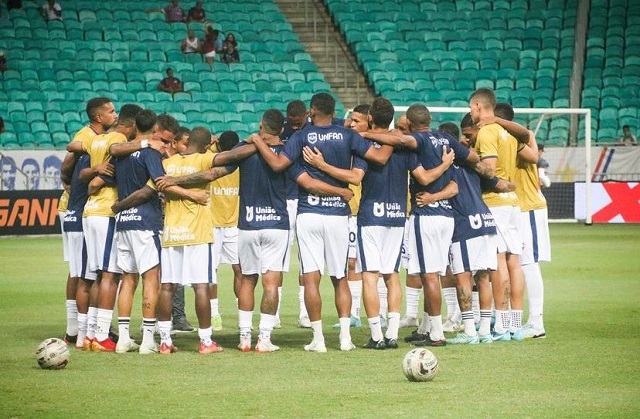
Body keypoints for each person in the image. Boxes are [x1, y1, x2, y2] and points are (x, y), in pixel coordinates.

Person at [250, 92, 393, 353]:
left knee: (311, 278)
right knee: (341, 278)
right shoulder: (349, 136)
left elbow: (279, 164)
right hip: (339, 215)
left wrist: (258, 142)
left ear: (311, 112)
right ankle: (346, 338)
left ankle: (318, 339)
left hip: (309, 213)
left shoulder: (300, 137)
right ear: (334, 111)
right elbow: (379, 158)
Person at [361, 104, 480, 347]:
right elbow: (475, 158)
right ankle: (426, 327)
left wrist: (363, 135)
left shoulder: (417, 141)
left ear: (412, 127)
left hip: (426, 215)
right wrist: (451, 160)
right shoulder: (446, 138)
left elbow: (422, 176)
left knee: (428, 276)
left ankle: (436, 333)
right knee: (431, 273)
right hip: (447, 215)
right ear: (430, 118)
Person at [66, 102, 135, 352]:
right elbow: (97, 177)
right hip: (106, 212)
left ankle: (89, 333)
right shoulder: (116, 140)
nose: (114, 115)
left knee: (95, 275)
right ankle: (102, 335)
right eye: (111, 111)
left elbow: (79, 169)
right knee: (110, 275)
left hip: (89, 212)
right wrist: (148, 144)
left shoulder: (95, 140)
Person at [468, 88, 534, 341]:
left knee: (497, 261)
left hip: (495, 201)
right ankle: (515, 324)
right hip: (513, 202)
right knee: (514, 262)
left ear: (477, 106)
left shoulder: (486, 132)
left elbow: (490, 171)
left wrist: (468, 161)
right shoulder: (508, 131)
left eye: (471, 107)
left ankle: (501, 325)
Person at [494, 103, 551, 341]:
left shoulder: (519, 138)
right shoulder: (500, 140)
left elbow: (533, 154)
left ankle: (537, 323)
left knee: (528, 263)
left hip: (529, 208)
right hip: (514, 208)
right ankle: (506, 320)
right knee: (511, 261)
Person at [207, 131, 242, 332]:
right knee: (212, 271)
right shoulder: (209, 157)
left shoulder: (239, 160)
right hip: (212, 223)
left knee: (240, 269)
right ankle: (214, 314)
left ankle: (241, 313)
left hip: (233, 223)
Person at [280, 100, 309, 328]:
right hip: (282, 198)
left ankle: (305, 313)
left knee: (306, 258)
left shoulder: (314, 131)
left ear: (308, 115)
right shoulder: (281, 129)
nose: (295, 127)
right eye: (292, 123)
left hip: (306, 198)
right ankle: (275, 312)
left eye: (299, 123)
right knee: (279, 257)